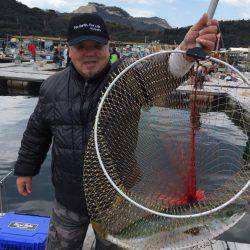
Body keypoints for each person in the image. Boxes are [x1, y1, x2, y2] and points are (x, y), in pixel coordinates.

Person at [14, 12, 218, 250]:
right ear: (68, 49)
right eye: (81, 46)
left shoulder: (127, 78)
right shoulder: (52, 87)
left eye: (96, 45)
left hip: (119, 200)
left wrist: (185, 50)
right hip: (68, 197)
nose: (89, 53)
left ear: (108, 47)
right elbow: (36, 133)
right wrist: (25, 170)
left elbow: (162, 71)